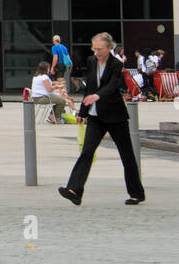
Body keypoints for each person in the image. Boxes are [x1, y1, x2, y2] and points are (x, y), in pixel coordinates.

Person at [59, 32, 145, 206]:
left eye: (99, 49)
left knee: (126, 155)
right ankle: (74, 190)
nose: (96, 52)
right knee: (87, 152)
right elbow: (89, 87)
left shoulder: (116, 64)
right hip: (95, 116)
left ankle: (136, 193)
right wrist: (82, 113)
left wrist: (97, 96)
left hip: (115, 116)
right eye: (94, 48)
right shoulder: (91, 62)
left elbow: (114, 85)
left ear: (109, 48)